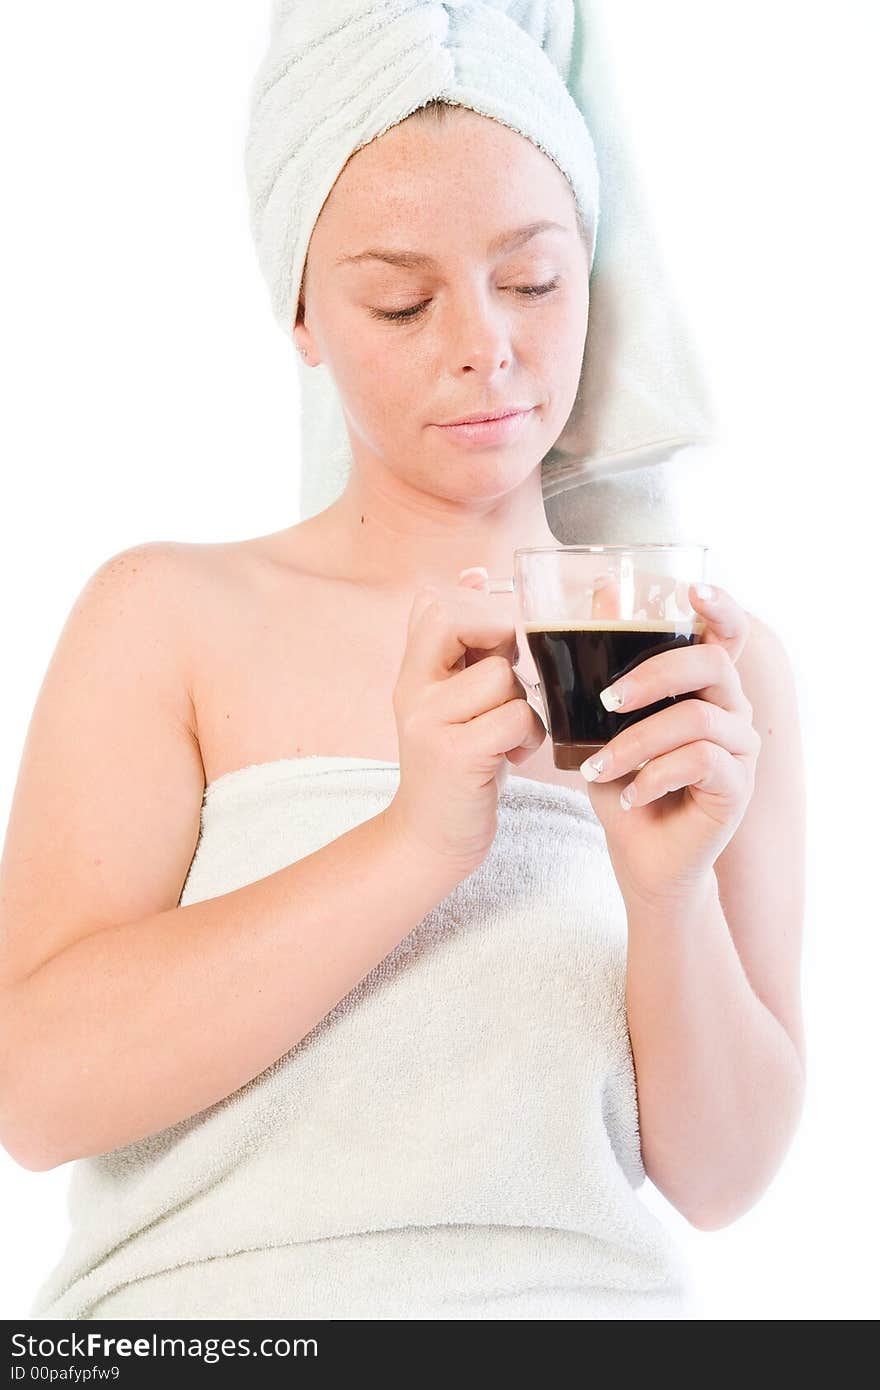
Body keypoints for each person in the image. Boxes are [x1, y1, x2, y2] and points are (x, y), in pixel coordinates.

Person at [3, 4, 805, 1323]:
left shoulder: (710, 663)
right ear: (305, 314)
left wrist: (668, 893)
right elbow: (35, 1090)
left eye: (536, 280)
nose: (485, 341)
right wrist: (417, 840)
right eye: (401, 297)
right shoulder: (166, 618)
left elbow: (720, 1178)